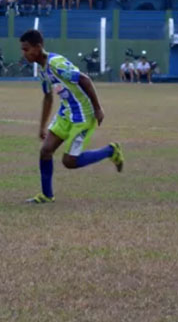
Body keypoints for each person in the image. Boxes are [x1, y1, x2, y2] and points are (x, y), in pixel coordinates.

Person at [18, 29, 124, 203]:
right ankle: (46, 195)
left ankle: (110, 151)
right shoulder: (42, 71)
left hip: (83, 115)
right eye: (22, 49)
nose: (24, 53)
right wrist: (42, 126)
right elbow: (48, 97)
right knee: (45, 151)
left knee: (69, 162)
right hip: (66, 113)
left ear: (38, 47)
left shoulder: (56, 64)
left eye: (26, 49)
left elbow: (84, 79)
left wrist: (97, 108)